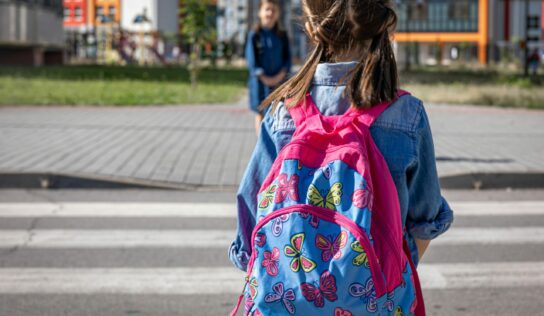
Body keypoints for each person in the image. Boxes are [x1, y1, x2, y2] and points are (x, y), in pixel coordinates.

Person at [230, 0, 453, 314]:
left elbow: (250, 219)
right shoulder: (406, 114)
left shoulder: (283, 111)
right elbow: (425, 221)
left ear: (310, 27)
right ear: (386, 26)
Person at [246, 0, 292, 134]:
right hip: (260, 84)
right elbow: (251, 60)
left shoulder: (282, 36)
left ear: (278, 13)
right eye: (267, 9)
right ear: (260, 12)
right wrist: (264, 77)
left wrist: (280, 76)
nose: (270, 13)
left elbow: (287, 59)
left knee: (279, 113)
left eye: (273, 10)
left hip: (279, 83)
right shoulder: (254, 35)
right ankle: (262, 145)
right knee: (260, 113)